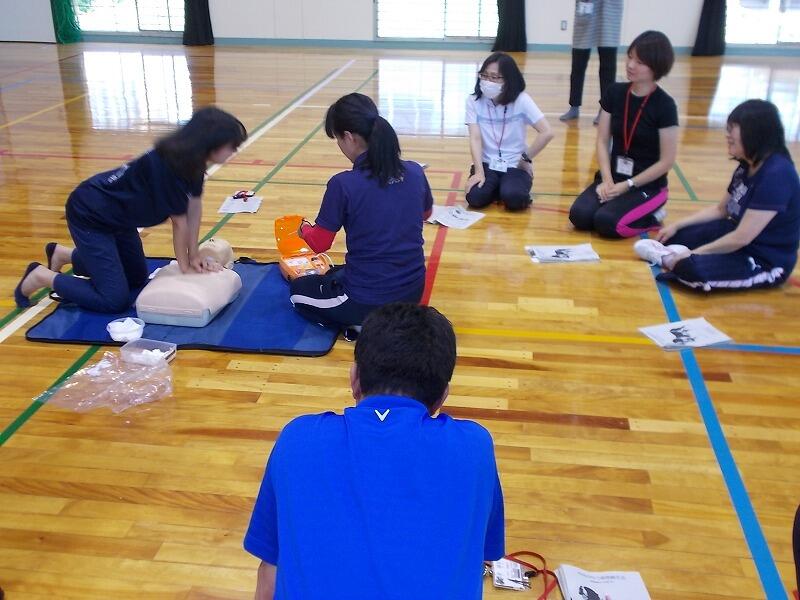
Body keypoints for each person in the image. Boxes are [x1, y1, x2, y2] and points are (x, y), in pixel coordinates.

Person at [244, 303, 505, 600]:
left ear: (354, 378)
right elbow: (475, 556)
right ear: (441, 397)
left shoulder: (298, 439)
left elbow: (269, 579)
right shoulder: (474, 449)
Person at [13, 107, 247, 312]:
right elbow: (180, 223)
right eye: (232, 146)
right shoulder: (170, 167)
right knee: (114, 300)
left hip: (120, 219)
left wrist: (194, 255)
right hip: (91, 215)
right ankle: (42, 276)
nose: (233, 152)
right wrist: (185, 268)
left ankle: (63, 254)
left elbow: (194, 208)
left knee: (135, 278)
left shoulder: (192, 162)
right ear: (211, 143)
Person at [289, 93, 433, 331]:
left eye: (338, 139)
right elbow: (425, 215)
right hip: (414, 290)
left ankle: (361, 324)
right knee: (335, 273)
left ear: (349, 137)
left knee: (297, 292)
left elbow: (320, 243)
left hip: (366, 300)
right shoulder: (415, 171)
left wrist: (304, 230)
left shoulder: (343, 184)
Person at [634, 99, 800, 291]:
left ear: (754, 133)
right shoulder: (747, 164)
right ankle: (674, 256)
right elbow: (721, 210)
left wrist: (694, 254)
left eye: (732, 130)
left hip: (762, 260)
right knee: (674, 237)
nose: (727, 135)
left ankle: (672, 260)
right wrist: (676, 225)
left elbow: (741, 238)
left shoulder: (777, 175)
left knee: (690, 269)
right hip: (736, 235)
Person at [569, 30, 678, 239]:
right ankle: (617, 200)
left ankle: (653, 216)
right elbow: (602, 141)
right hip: (614, 178)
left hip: (646, 185)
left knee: (607, 223)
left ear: (656, 67)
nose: (630, 65)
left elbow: (666, 161)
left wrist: (627, 186)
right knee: (580, 216)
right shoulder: (615, 92)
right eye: (630, 57)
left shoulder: (665, 106)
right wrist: (607, 180)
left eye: (640, 62)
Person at [464, 52, 553, 211]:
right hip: (487, 164)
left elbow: (547, 132)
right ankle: (497, 187)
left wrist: (525, 158)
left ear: (508, 80)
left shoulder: (522, 100)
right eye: (484, 76)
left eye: (494, 77)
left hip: (514, 165)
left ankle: (504, 188)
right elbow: (475, 138)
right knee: (475, 197)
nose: (488, 81)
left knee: (514, 198)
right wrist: (478, 172)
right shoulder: (474, 101)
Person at [559, 0, 624, 125]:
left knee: (608, 67)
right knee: (578, 64)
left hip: (610, 10)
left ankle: (605, 109)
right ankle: (574, 106)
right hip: (587, 7)